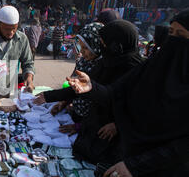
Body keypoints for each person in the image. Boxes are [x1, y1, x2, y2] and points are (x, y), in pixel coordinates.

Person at [66, 9, 189, 177]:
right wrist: (92, 88)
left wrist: (136, 165)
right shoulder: (155, 65)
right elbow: (117, 93)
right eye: (170, 32)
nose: (172, 40)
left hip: (166, 176)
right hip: (128, 159)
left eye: (181, 36)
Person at [35, 19, 144, 165]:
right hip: (94, 127)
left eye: (104, 45)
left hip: (117, 140)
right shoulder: (104, 64)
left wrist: (119, 124)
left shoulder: (139, 71)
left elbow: (139, 107)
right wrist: (51, 96)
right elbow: (87, 90)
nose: (102, 48)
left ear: (117, 46)